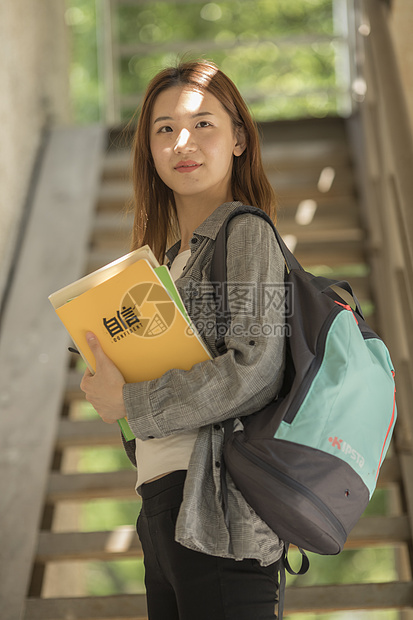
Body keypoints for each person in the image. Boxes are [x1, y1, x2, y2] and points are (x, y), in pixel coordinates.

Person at [80, 59, 286, 620]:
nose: (182, 141)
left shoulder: (247, 232)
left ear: (239, 138)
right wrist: (114, 390)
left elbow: (257, 367)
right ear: (149, 149)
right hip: (164, 503)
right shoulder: (169, 265)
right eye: (164, 129)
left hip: (222, 514)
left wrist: (130, 401)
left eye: (203, 123)